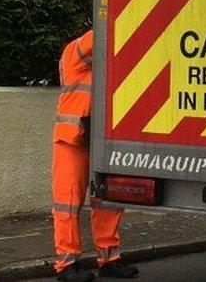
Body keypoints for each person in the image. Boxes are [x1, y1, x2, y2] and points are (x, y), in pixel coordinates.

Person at [52, 30, 139, 281]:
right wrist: (118, 13)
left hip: (100, 139)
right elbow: (101, 35)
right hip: (73, 139)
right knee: (67, 202)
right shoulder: (74, 52)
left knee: (107, 199)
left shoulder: (108, 63)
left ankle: (109, 259)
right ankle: (66, 266)